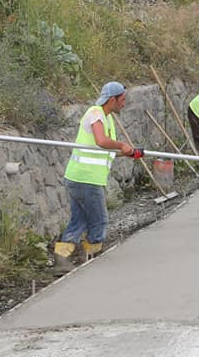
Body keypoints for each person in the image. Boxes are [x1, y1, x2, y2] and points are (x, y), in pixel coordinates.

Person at [53, 82, 142, 274]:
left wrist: (129, 152)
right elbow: (101, 141)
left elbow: (103, 150)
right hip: (86, 178)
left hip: (82, 177)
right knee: (99, 220)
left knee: (79, 220)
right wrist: (121, 144)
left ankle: (62, 260)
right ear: (113, 99)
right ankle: (91, 259)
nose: (124, 103)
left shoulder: (107, 119)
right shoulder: (95, 113)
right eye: (123, 99)